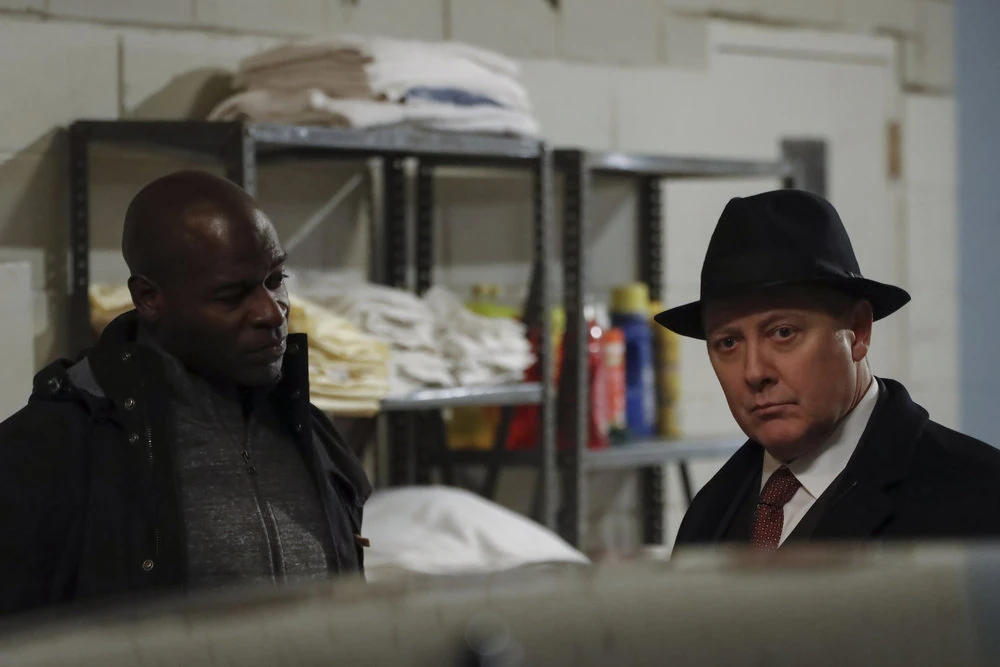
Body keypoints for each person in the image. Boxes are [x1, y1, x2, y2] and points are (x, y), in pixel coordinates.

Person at [0, 170, 371, 615]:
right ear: (149, 297)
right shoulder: (53, 447)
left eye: (275, 279)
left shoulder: (309, 431)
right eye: (231, 296)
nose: (272, 313)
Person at [658, 189, 1000, 550]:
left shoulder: (980, 498)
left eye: (783, 333)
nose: (755, 372)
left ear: (859, 330)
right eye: (728, 342)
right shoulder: (710, 513)